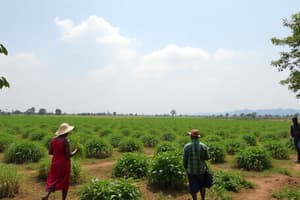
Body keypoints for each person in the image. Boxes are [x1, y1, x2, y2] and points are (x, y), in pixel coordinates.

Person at [42, 123, 78, 200]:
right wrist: (76, 151)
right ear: (66, 132)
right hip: (64, 164)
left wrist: (57, 152)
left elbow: (50, 152)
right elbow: (69, 155)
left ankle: (46, 195)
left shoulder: (53, 140)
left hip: (55, 162)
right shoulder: (66, 141)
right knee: (65, 181)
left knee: (53, 179)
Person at [183, 129, 210, 200]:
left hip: (191, 171)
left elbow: (184, 160)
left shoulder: (187, 146)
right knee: (202, 186)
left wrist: (186, 168)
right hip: (201, 170)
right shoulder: (203, 146)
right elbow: (207, 158)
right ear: (198, 137)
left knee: (193, 187)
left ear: (191, 137)